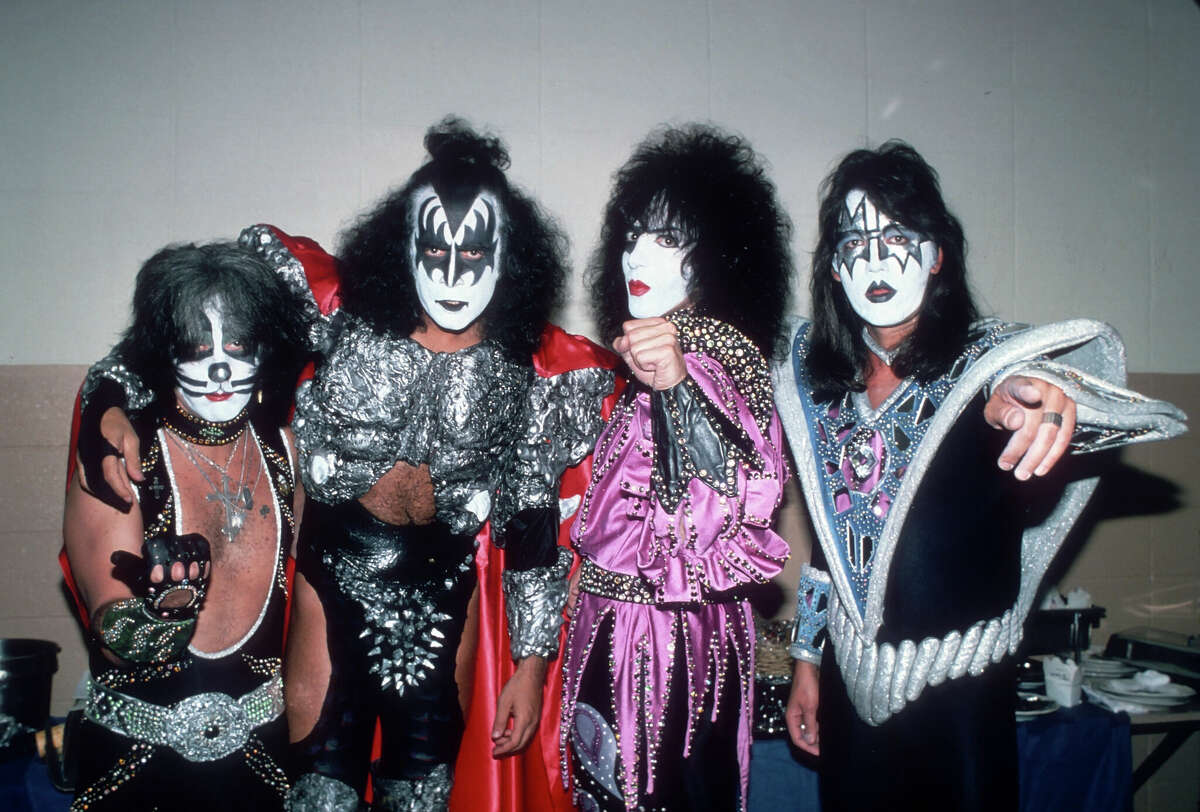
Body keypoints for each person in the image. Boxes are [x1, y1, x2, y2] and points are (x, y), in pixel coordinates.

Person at [74, 120, 620, 811]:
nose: (451, 273)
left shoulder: (529, 376)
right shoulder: (338, 319)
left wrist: (532, 667)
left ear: (510, 258)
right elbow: (187, 327)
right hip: (333, 580)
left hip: (445, 593)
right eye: (433, 247)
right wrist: (108, 400)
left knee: (420, 795)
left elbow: (534, 524)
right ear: (404, 244)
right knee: (319, 793)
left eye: (474, 252)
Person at [774, 141, 1187, 811]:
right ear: (834, 268)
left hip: (960, 705)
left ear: (937, 254)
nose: (875, 260)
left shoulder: (987, 360)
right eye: (854, 240)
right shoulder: (823, 384)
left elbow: (1048, 382)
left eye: (898, 236)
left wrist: (1044, 396)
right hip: (850, 698)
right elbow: (833, 539)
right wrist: (807, 659)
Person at [560, 125, 794, 812]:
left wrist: (675, 386)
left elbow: (737, 495)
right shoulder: (654, 362)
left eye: (668, 237)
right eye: (634, 234)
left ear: (717, 256)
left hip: (664, 646)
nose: (638, 252)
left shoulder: (706, 363)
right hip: (620, 631)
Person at [61, 242, 309, 810]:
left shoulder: (285, 452)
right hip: (135, 769)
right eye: (198, 348)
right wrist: (158, 613)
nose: (219, 368)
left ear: (265, 350)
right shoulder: (122, 456)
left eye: (238, 345)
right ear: (163, 352)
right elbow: (116, 639)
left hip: (264, 768)